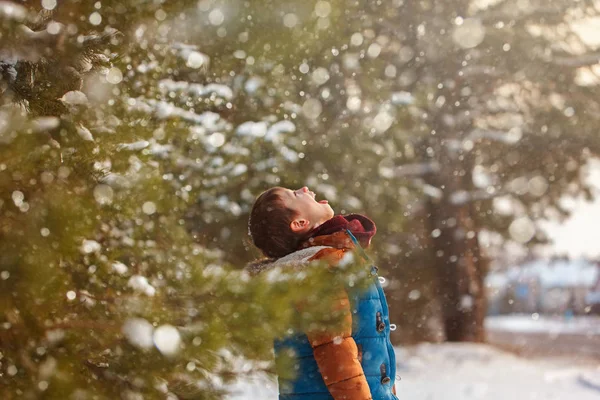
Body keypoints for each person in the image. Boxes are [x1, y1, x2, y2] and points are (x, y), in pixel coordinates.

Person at [247, 186, 398, 400]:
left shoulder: (323, 261)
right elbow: (335, 350)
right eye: (295, 194)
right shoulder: (318, 269)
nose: (304, 188)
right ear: (300, 223)